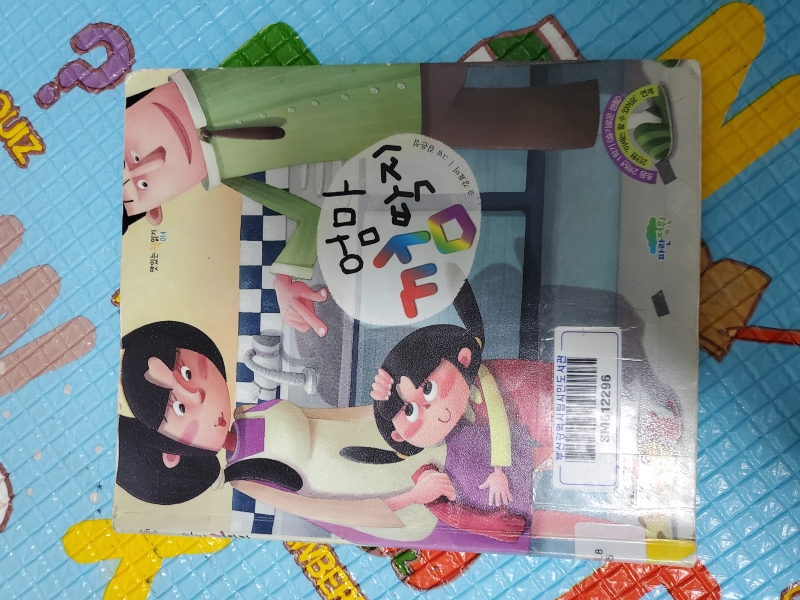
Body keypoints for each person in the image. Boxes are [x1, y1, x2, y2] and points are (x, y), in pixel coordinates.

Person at [122, 64, 601, 332]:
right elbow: (310, 215)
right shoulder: (227, 175)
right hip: (399, 119)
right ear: (157, 209)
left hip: (390, 52)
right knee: (536, 120)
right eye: (141, 187)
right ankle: (622, 111)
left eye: (129, 154)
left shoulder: (200, 57)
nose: (151, 162)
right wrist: (287, 273)